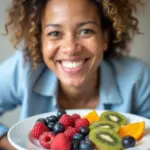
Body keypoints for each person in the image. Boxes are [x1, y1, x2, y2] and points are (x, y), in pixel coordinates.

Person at [0, 0, 150, 149]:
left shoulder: (138, 78)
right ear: (41, 42)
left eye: (85, 31)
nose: (71, 48)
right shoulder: (24, 70)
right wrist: (11, 143)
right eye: (55, 33)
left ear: (104, 37)